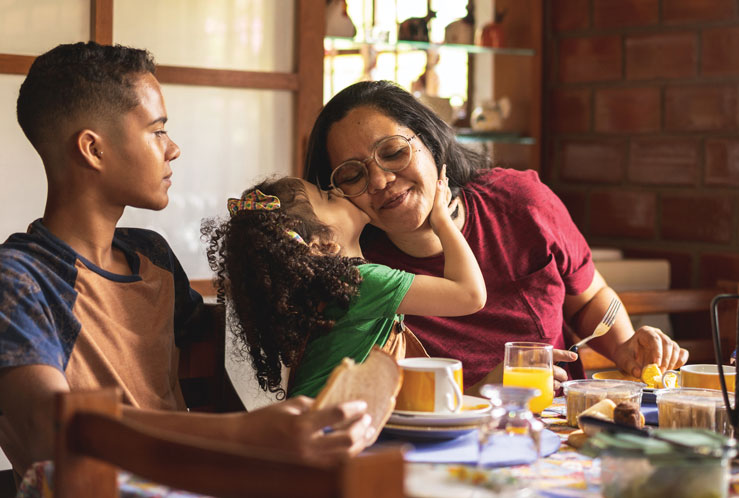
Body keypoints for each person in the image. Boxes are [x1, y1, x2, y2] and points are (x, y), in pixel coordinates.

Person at [0, 42, 372, 478]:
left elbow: (223, 344)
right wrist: (244, 434)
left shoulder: (151, 254)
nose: (172, 148)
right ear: (93, 149)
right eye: (157, 130)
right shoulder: (19, 279)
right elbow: (53, 424)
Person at [304, 80, 690, 394]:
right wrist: (483, 392)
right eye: (352, 175)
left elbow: (588, 298)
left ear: (430, 142)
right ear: (336, 193)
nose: (380, 180)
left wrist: (625, 346)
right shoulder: (359, 273)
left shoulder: (521, 203)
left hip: (561, 426)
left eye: (392, 152)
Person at [202, 163, 485, 399]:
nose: (338, 190)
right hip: (326, 433)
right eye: (327, 197)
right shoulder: (360, 282)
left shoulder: (332, 287)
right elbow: (470, 294)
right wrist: (442, 220)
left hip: (312, 428)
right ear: (321, 243)